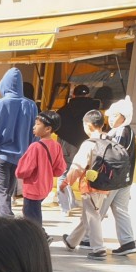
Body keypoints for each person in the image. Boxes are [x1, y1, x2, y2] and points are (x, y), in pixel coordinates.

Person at [0, 67, 37, 218]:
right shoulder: (31, 105)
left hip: (2, 155)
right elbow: (35, 132)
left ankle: (8, 221)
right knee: (7, 191)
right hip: (21, 157)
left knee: (1, 191)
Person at [60, 109, 114, 260]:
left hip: (90, 185)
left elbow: (77, 166)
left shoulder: (89, 143)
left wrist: (66, 182)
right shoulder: (109, 140)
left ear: (89, 125)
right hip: (106, 184)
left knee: (92, 215)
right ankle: (72, 241)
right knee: (89, 214)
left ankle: (98, 248)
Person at [15, 111, 66, 229]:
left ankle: (40, 236)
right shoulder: (56, 145)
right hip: (45, 186)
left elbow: (22, 171)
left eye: (37, 124)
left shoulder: (35, 146)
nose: (34, 126)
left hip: (33, 187)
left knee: (30, 217)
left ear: (48, 129)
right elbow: (59, 169)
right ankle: (40, 234)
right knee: (34, 212)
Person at [99, 98, 136, 256]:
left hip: (114, 179)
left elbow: (114, 155)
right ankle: (127, 242)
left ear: (124, 116)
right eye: (111, 116)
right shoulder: (128, 130)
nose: (111, 119)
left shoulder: (120, 132)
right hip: (125, 179)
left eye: (115, 116)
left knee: (98, 209)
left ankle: (87, 238)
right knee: (121, 210)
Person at [56, 85, 99, 215]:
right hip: (87, 144)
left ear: (73, 95)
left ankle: (65, 206)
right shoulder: (93, 109)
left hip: (66, 144)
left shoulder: (63, 110)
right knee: (88, 175)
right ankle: (93, 206)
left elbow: (56, 127)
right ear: (88, 95)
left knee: (64, 173)